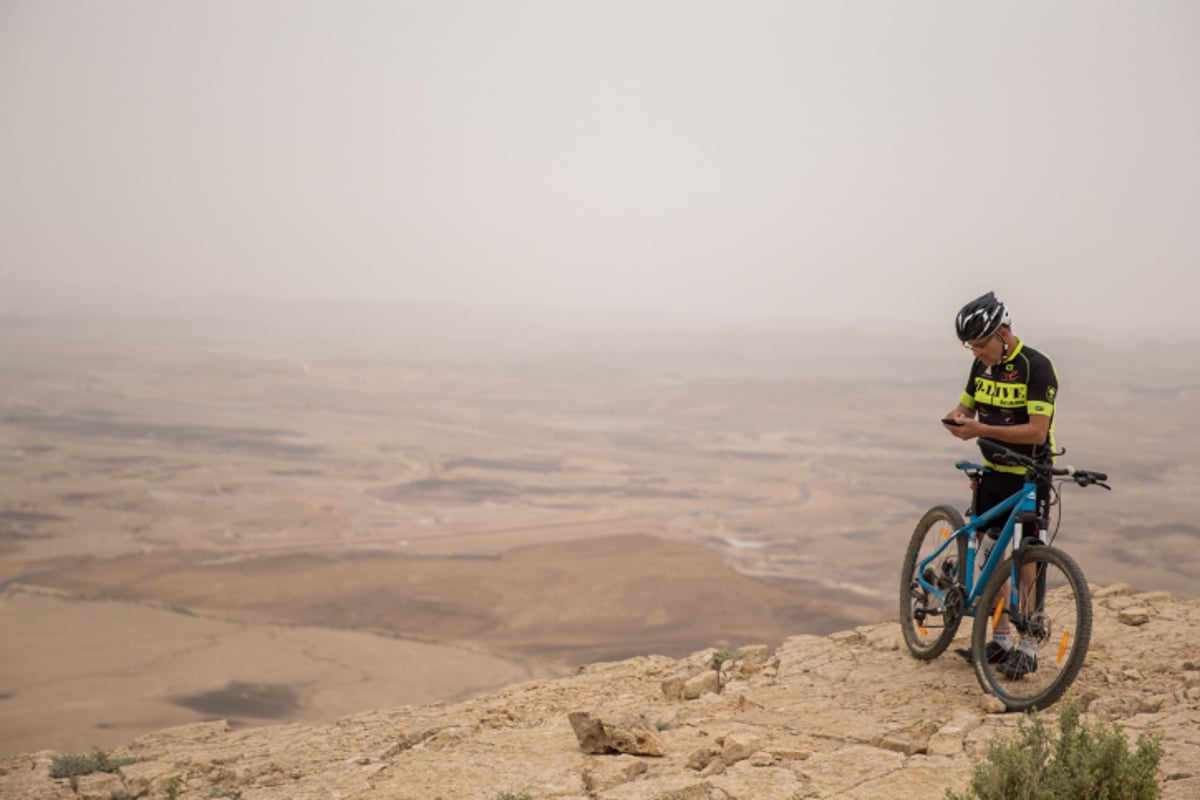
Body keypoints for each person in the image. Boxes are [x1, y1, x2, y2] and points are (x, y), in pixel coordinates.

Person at [942, 291, 1059, 679]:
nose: (976, 353)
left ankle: (1026, 647)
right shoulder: (981, 367)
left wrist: (980, 429)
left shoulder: (1036, 367)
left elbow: (1037, 432)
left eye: (980, 344)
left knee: (1026, 560)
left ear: (1003, 333)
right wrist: (957, 418)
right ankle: (1001, 639)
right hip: (993, 471)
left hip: (1029, 474)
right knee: (990, 554)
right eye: (970, 347)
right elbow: (966, 406)